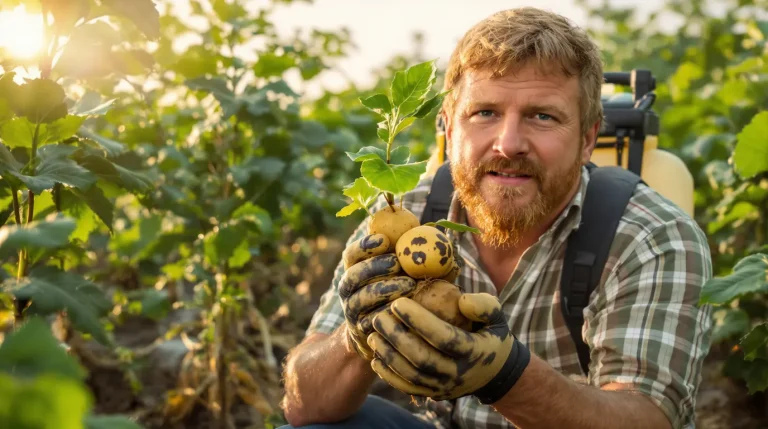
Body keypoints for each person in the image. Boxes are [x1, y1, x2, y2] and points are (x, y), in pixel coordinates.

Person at [279, 7, 713, 429]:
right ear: (449, 130)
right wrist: (356, 334)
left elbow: (648, 417)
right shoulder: (403, 217)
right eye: (484, 113)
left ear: (587, 138)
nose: (508, 144)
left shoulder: (651, 236)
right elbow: (303, 405)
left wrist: (505, 375)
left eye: (542, 116)